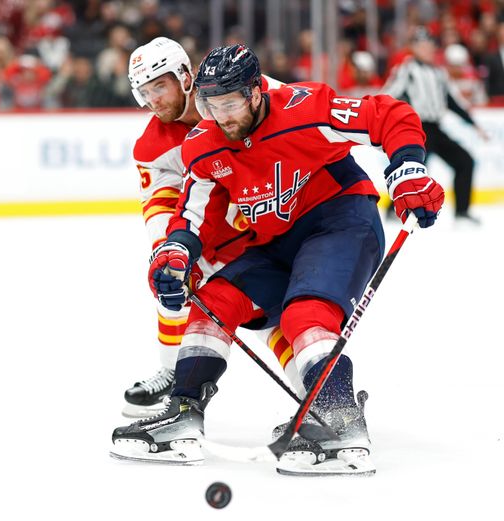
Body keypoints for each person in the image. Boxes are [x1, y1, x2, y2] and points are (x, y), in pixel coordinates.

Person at [111, 44, 444, 476]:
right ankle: (184, 412)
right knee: (214, 302)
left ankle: (340, 421)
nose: (221, 117)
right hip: (274, 239)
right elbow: (192, 214)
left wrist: (407, 169)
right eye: (210, 105)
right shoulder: (203, 143)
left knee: (304, 315)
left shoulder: (305, 108)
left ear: (254, 93)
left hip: (339, 221)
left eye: (229, 103)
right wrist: (175, 254)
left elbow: (388, 114)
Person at [120, 37, 291, 418]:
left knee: (280, 315)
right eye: (144, 93)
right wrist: (168, 248)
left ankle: (316, 388)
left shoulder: (237, 92)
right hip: (220, 236)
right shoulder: (152, 146)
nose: (153, 101)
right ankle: (172, 370)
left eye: (159, 87)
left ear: (185, 76)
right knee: (175, 281)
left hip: (278, 221)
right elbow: (160, 203)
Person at [382, 28, 488, 226]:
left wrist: (474, 125)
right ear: (413, 48)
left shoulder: (439, 73)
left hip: (435, 128)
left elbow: (452, 101)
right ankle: (392, 210)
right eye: (422, 45)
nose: (427, 49)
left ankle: (462, 213)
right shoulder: (406, 70)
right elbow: (388, 95)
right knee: (412, 170)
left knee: (465, 162)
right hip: (415, 127)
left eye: (430, 45)